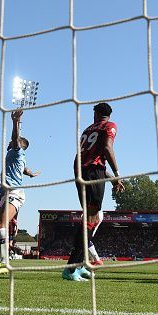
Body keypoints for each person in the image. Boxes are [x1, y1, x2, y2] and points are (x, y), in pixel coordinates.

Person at [63, 103, 124, 282]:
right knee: (90, 219)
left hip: (83, 173)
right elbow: (107, 148)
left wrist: (111, 178)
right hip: (93, 174)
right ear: (108, 115)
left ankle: (81, 265)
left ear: (96, 113)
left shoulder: (87, 130)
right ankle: (70, 268)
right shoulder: (109, 126)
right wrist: (118, 174)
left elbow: (84, 158)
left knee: (92, 218)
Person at [0, 110, 40, 275]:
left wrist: (15, 122)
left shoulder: (17, 151)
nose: (10, 141)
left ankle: (4, 263)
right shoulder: (16, 156)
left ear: (19, 145)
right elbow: (24, 169)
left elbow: (16, 138)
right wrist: (30, 173)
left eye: (14, 141)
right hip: (5, 194)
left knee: (1, 225)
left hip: (14, 193)